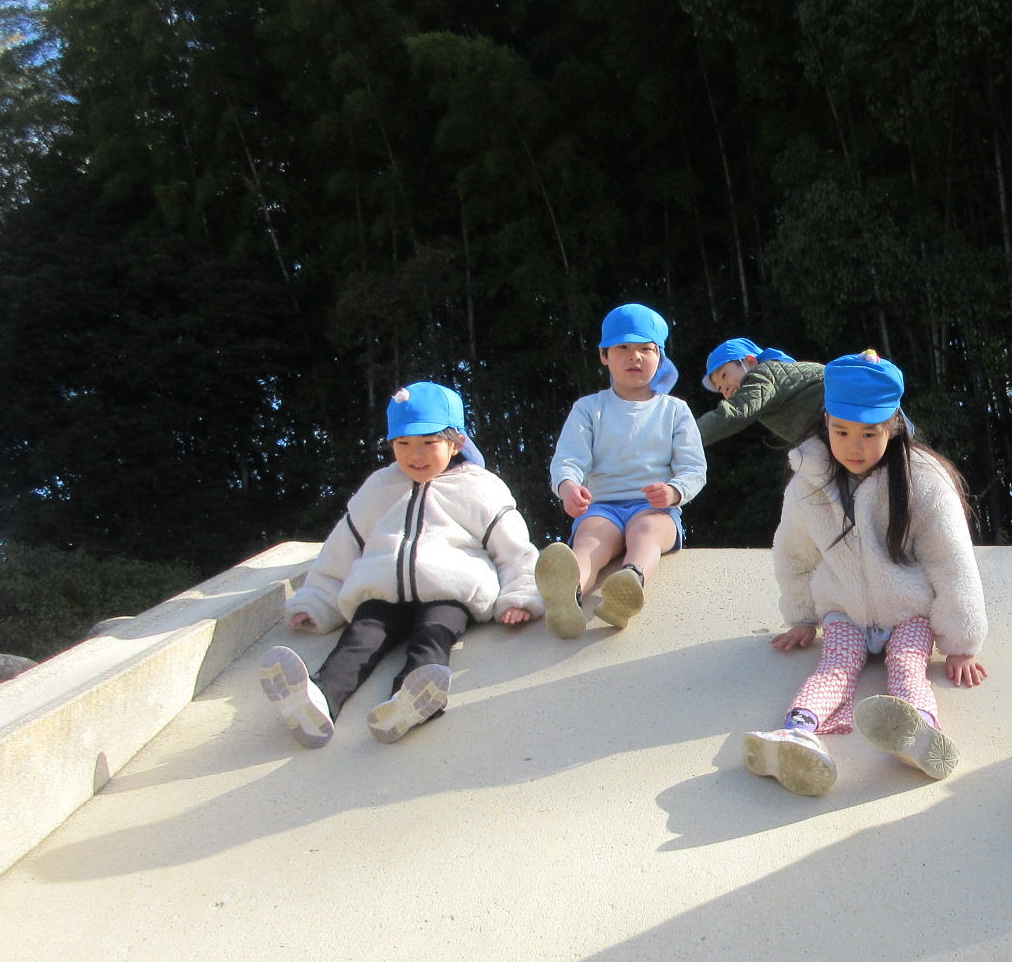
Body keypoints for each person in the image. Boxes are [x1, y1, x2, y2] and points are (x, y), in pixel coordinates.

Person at [744, 351, 988, 798]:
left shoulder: (923, 480)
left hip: (908, 611)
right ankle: (797, 732)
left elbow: (950, 560)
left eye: (869, 433)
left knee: (908, 666)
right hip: (844, 609)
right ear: (825, 422)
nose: (853, 446)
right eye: (841, 431)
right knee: (833, 668)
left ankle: (920, 732)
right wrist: (802, 616)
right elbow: (794, 552)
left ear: (892, 426)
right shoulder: (809, 482)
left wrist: (960, 643)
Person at [260, 382, 541, 746]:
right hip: (382, 593)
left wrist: (520, 596)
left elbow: (514, 549)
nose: (415, 454)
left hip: (448, 592)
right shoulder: (380, 487)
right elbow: (341, 550)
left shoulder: (479, 488)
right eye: (403, 443)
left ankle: (412, 699)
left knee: (433, 636)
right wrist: (315, 600)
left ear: (456, 443)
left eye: (429, 442)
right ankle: (317, 700)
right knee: (359, 640)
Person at [537, 303, 707, 637]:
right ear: (604, 355)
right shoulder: (589, 408)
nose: (635, 356)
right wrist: (568, 487)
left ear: (660, 357)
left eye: (646, 349)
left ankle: (629, 583)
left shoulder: (675, 410)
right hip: (602, 507)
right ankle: (568, 594)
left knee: (646, 532)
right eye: (623, 347)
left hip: (656, 509)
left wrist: (674, 491)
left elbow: (693, 468)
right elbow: (568, 458)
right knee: (590, 540)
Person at [696, 338, 826, 447]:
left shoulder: (763, 374)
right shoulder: (766, 390)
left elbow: (733, 413)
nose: (724, 388)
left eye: (724, 375)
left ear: (750, 362)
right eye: (719, 388)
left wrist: (689, 435)